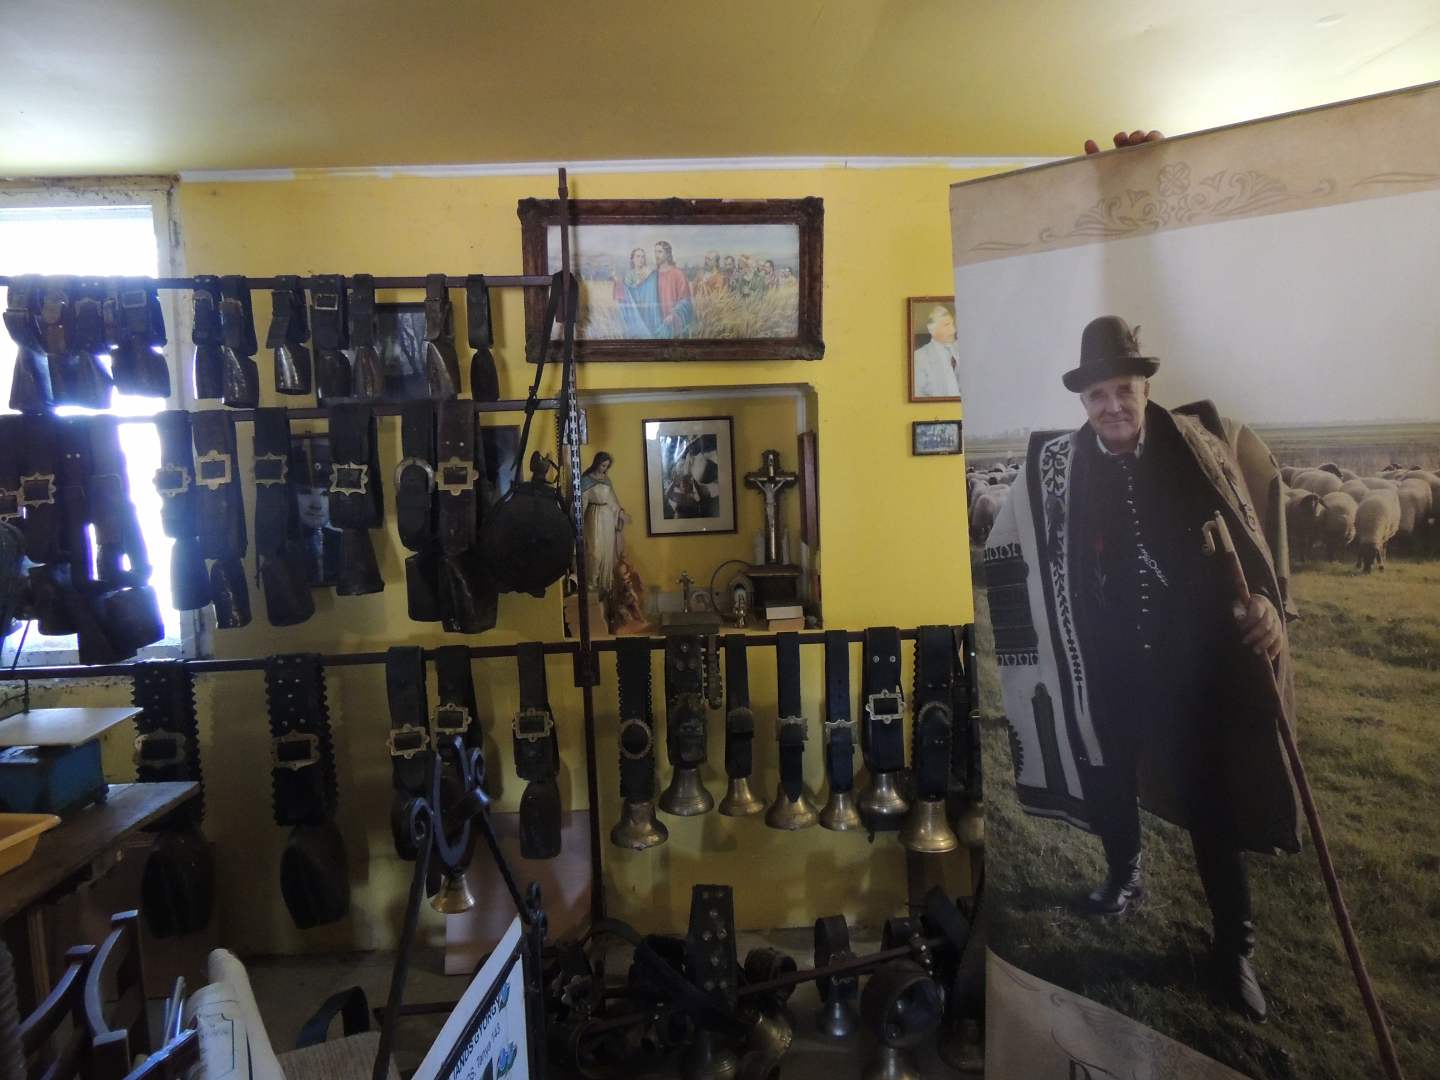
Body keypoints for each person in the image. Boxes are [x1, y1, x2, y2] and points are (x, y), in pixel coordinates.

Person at [983, 315, 1299, 1023]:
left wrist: (1267, 605)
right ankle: (1124, 875)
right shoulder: (1062, 467)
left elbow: (1250, 541)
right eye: (1098, 396)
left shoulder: (1196, 451)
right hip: (1108, 663)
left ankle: (1235, 948)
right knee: (1107, 771)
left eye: (1124, 390)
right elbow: (1016, 545)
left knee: (1210, 801)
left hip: (1196, 667)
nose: (1113, 407)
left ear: (1146, 389)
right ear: (1083, 401)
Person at [580, 452, 630, 598]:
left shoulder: (606, 480)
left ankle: (604, 585)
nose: (604, 469)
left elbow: (612, 501)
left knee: (608, 551)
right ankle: (591, 584)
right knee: (594, 552)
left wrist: (621, 513)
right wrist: (577, 520)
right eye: (603, 465)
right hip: (593, 515)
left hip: (607, 517)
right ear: (597, 463)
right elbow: (581, 502)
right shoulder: (586, 481)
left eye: (607, 466)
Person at [610, 247, 660, 338]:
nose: (640, 259)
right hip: (635, 308)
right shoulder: (630, 275)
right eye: (638, 256)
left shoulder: (649, 273)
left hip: (648, 308)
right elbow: (626, 291)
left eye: (642, 256)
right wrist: (615, 277)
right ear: (633, 259)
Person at [912, 305, 960, 398]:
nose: (953, 330)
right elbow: (916, 393)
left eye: (952, 324)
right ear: (932, 331)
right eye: (946, 325)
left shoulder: (962, 348)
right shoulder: (921, 356)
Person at [652, 241, 694, 338]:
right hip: (657, 322)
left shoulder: (679, 274)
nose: (656, 255)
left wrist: (675, 314)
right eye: (655, 252)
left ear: (667, 255)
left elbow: (685, 300)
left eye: (659, 252)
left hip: (674, 323)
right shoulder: (653, 276)